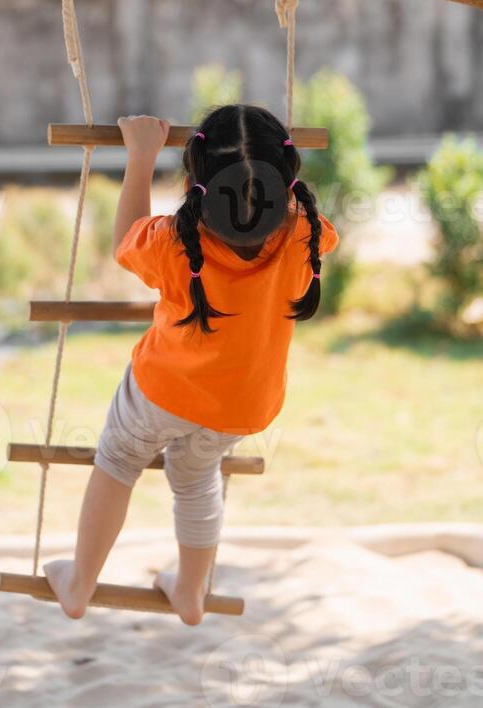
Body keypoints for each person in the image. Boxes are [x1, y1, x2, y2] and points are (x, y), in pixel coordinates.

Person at [44, 104, 339, 625]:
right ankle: (190, 591)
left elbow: (124, 240)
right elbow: (286, 212)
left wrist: (140, 158)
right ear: (288, 181)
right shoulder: (302, 235)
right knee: (197, 479)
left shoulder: (175, 242)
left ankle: (79, 583)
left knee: (117, 462)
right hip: (240, 407)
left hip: (160, 392)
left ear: (192, 181)